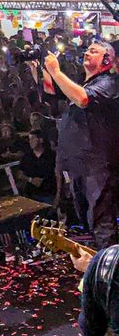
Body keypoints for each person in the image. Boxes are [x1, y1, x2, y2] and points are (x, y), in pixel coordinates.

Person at [42, 45, 119, 248]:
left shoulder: (110, 83)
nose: (86, 52)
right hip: (80, 167)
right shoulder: (84, 83)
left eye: (94, 51)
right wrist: (41, 69)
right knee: (87, 222)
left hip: (98, 168)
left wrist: (57, 71)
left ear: (107, 60)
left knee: (102, 223)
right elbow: (50, 90)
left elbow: (83, 99)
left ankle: (111, 273)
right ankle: (97, 266)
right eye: (87, 49)